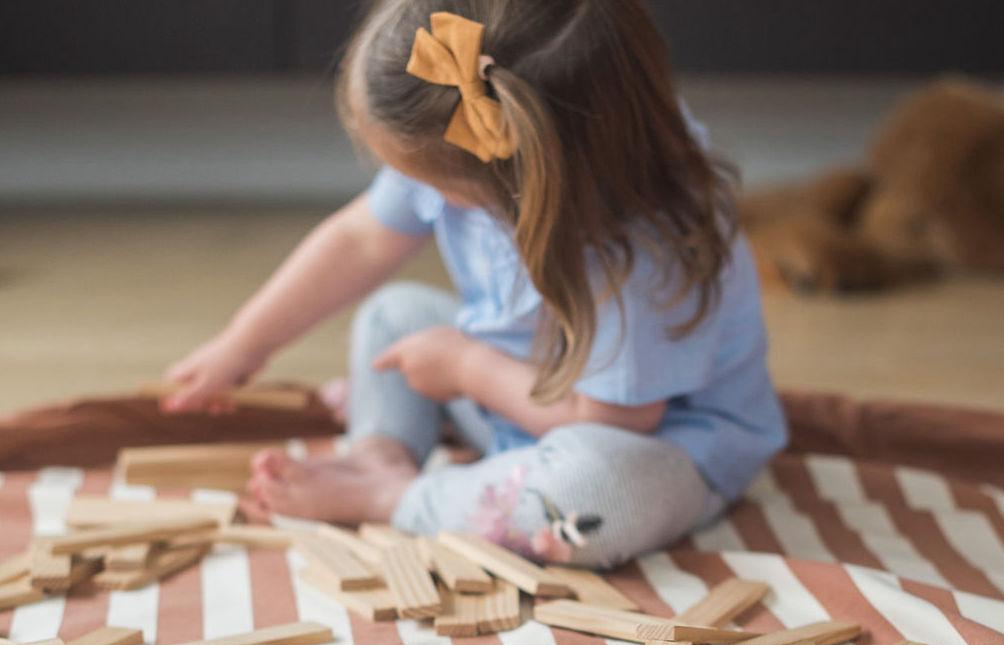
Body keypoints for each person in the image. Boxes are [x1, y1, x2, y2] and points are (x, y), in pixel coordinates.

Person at [164, 0, 787, 568]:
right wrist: (243, 345)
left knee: (588, 496)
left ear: (525, 178)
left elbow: (617, 420)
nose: (423, 196)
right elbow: (359, 240)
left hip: (656, 447)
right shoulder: (471, 135)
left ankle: (400, 495)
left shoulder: (642, 246)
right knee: (393, 314)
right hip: (524, 397)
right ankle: (381, 450)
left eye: (439, 190)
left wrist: (467, 370)